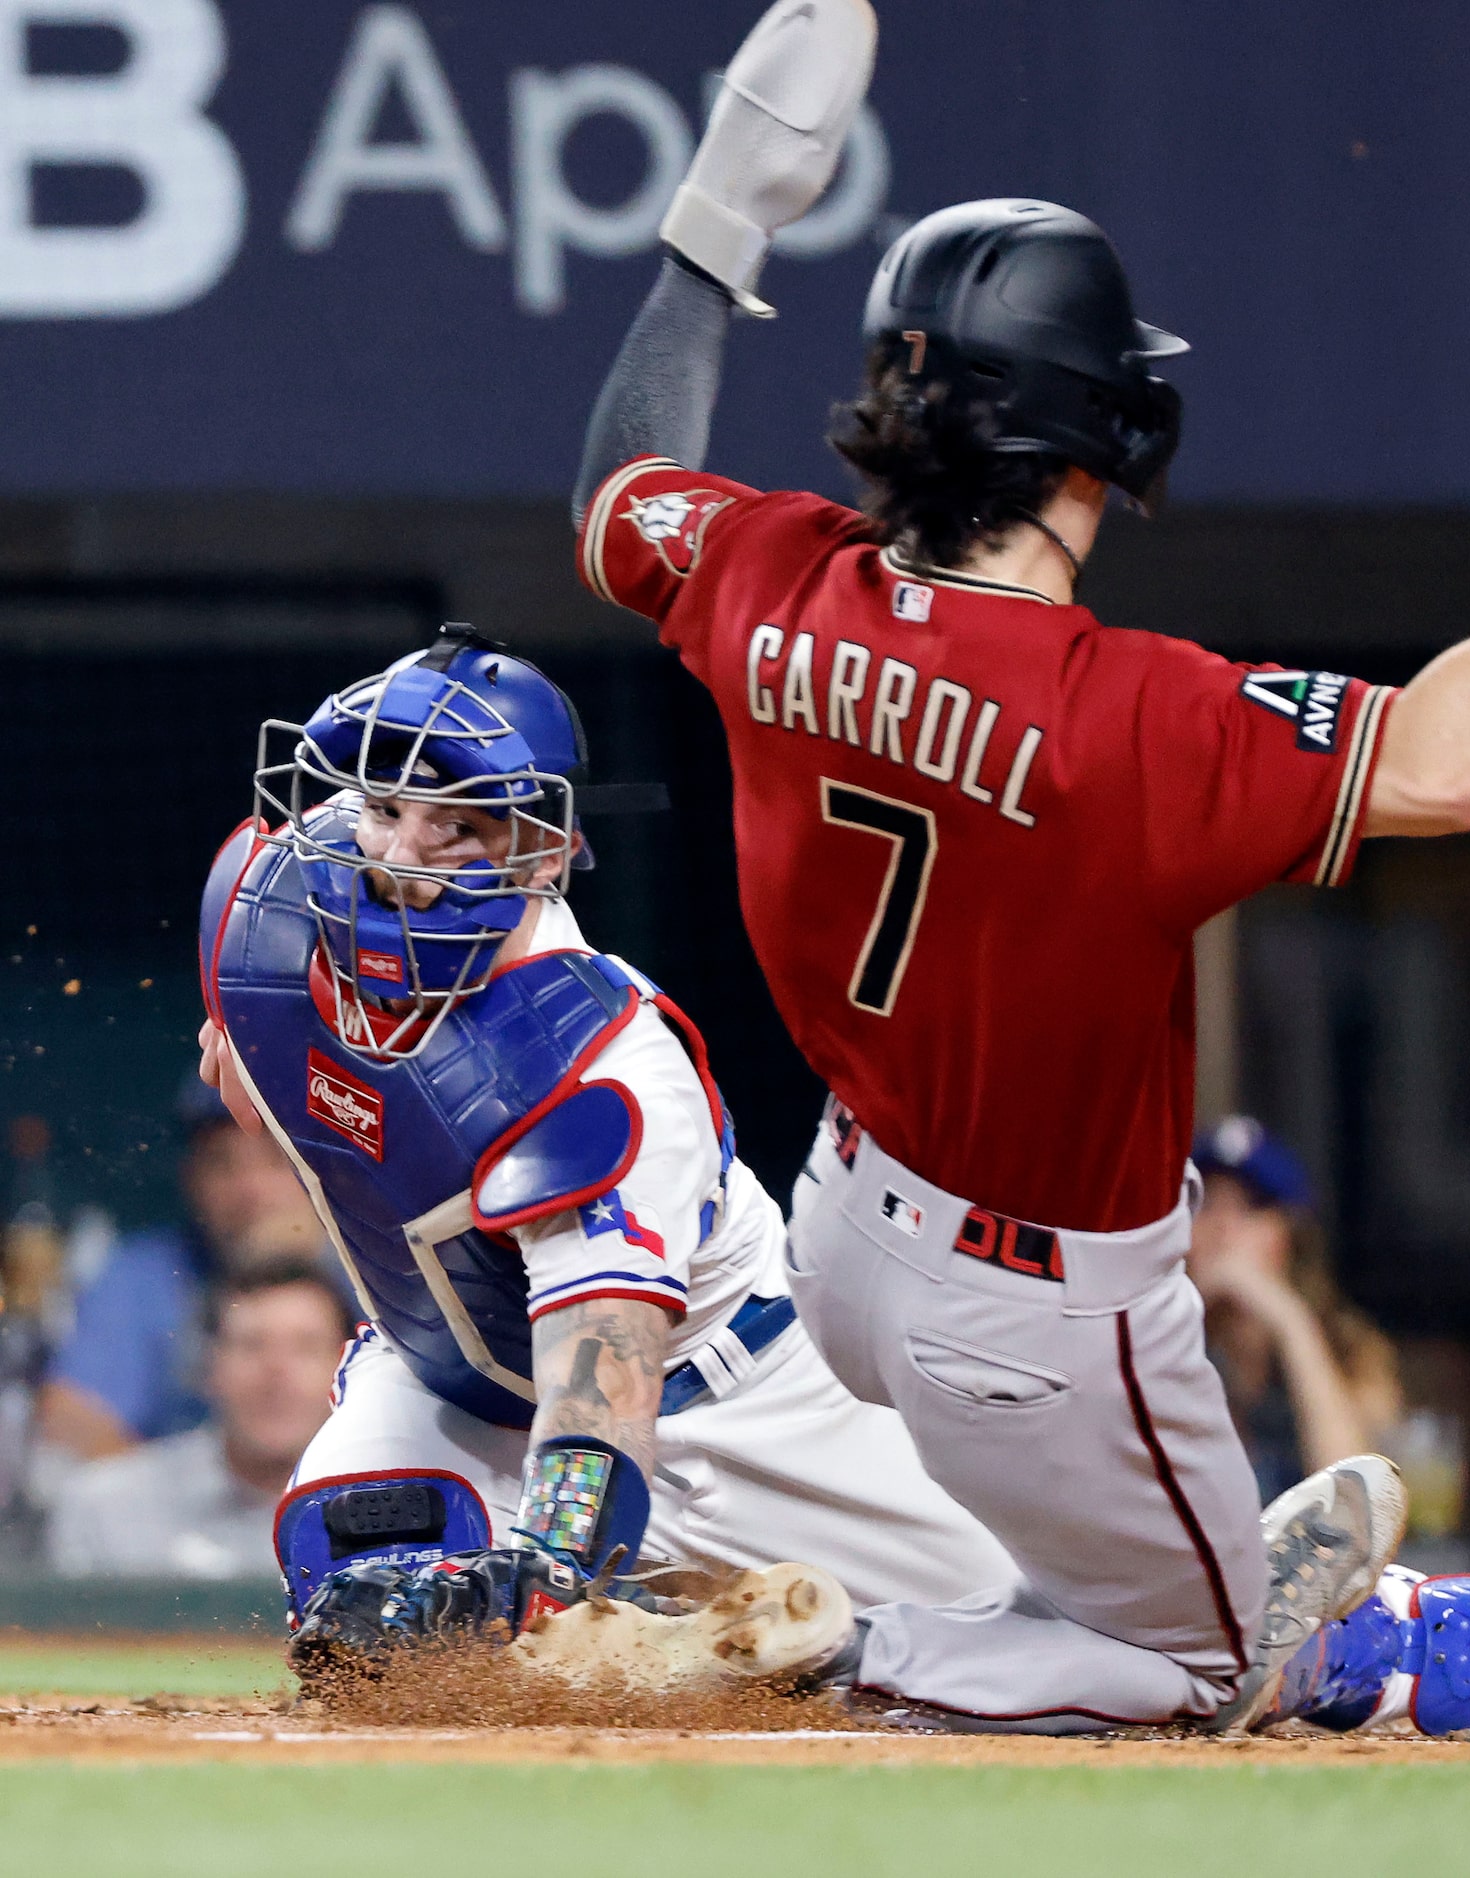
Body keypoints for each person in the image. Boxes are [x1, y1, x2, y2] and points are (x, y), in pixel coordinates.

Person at [566, 0, 1470, 1731]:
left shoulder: (773, 576)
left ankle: (1118, 1570)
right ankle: (850, 1648)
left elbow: (620, 482)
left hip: (839, 1230)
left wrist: (717, 216)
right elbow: (1449, 767)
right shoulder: (1130, 717)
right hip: (1034, 1317)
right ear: (1096, 441)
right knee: (1210, 1669)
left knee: (1152, 1583)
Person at [196, 625, 1016, 1673]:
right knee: (371, 1622)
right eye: (383, 808)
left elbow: (604, 1380)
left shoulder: (603, 1065)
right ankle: (677, 1666)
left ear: (540, 850)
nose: (397, 858)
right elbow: (269, 1087)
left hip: (738, 1411)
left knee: (1038, 1639)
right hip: (456, 1386)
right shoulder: (258, 920)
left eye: (454, 826)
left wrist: (551, 1573)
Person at [36, 1077, 329, 1462]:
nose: (251, 1190)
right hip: (193, 1513)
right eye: (223, 1164)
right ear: (191, 1178)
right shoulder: (146, 1273)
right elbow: (73, 1417)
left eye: (276, 1161)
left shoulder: (379, 1272)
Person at [47, 1260, 352, 1579]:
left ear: (349, 1372)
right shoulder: (106, 1509)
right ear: (209, 1367)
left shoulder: (395, 1517)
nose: (276, 1373)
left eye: (305, 1348)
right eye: (251, 1345)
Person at [1191, 1116, 1403, 1501]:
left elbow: (1357, 1506)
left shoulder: (1352, 1351)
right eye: (1206, 1203)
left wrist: (1292, 1324)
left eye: (1250, 1209)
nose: (1223, 1227)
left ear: (1290, 1235)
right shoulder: (1150, 1341)